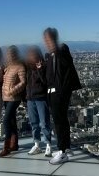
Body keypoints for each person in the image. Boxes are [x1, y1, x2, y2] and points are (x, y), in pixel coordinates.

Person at [43, 27, 82, 164]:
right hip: (52, 92)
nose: (46, 42)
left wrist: (55, 47)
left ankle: (63, 151)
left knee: (59, 121)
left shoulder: (62, 49)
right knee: (60, 120)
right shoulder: (50, 55)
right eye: (45, 40)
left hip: (60, 91)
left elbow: (65, 60)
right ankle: (64, 147)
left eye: (48, 39)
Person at [0, 45, 26, 157]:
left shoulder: (20, 66)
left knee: (6, 120)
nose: (9, 56)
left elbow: (23, 82)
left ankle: (7, 147)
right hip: (5, 97)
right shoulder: (8, 67)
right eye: (8, 54)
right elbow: (4, 81)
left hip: (14, 98)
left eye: (11, 54)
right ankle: (14, 144)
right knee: (11, 120)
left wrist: (12, 91)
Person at [25, 46, 52, 157]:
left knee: (44, 122)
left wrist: (40, 69)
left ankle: (48, 144)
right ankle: (37, 144)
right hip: (30, 98)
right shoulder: (28, 68)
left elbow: (46, 82)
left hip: (41, 97)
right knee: (34, 123)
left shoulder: (44, 65)